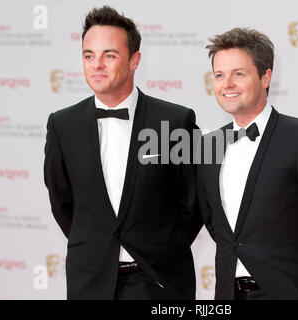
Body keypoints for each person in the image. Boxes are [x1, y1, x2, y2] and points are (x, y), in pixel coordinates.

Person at [44, 6, 202, 300]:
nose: (97, 65)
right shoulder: (62, 124)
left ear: (134, 60)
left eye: (109, 55)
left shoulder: (173, 121)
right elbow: (62, 202)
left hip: (158, 281)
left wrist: (161, 246)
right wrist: (96, 245)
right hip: (89, 280)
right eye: (88, 55)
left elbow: (193, 204)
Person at [197, 27, 298, 300]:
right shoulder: (208, 145)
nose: (227, 84)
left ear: (266, 76)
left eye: (238, 74)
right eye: (219, 75)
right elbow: (216, 224)